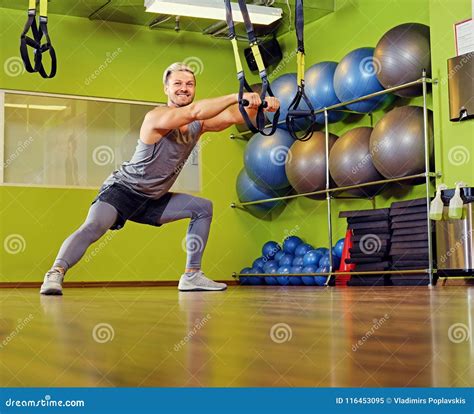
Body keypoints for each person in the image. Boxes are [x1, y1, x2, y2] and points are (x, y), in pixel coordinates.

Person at [40, 62, 280, 295]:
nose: (184, 88)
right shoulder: (157, 117)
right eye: (177, 83)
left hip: (153, 199)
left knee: (202, 208)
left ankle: (192, 274)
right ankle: (56, 272)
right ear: (166, 88)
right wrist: (235, 96)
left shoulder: (200, 124)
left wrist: (264, 105)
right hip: (123, 190)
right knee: (94, 227)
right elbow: (194, 110)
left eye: (189, 84)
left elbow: (236, 117)